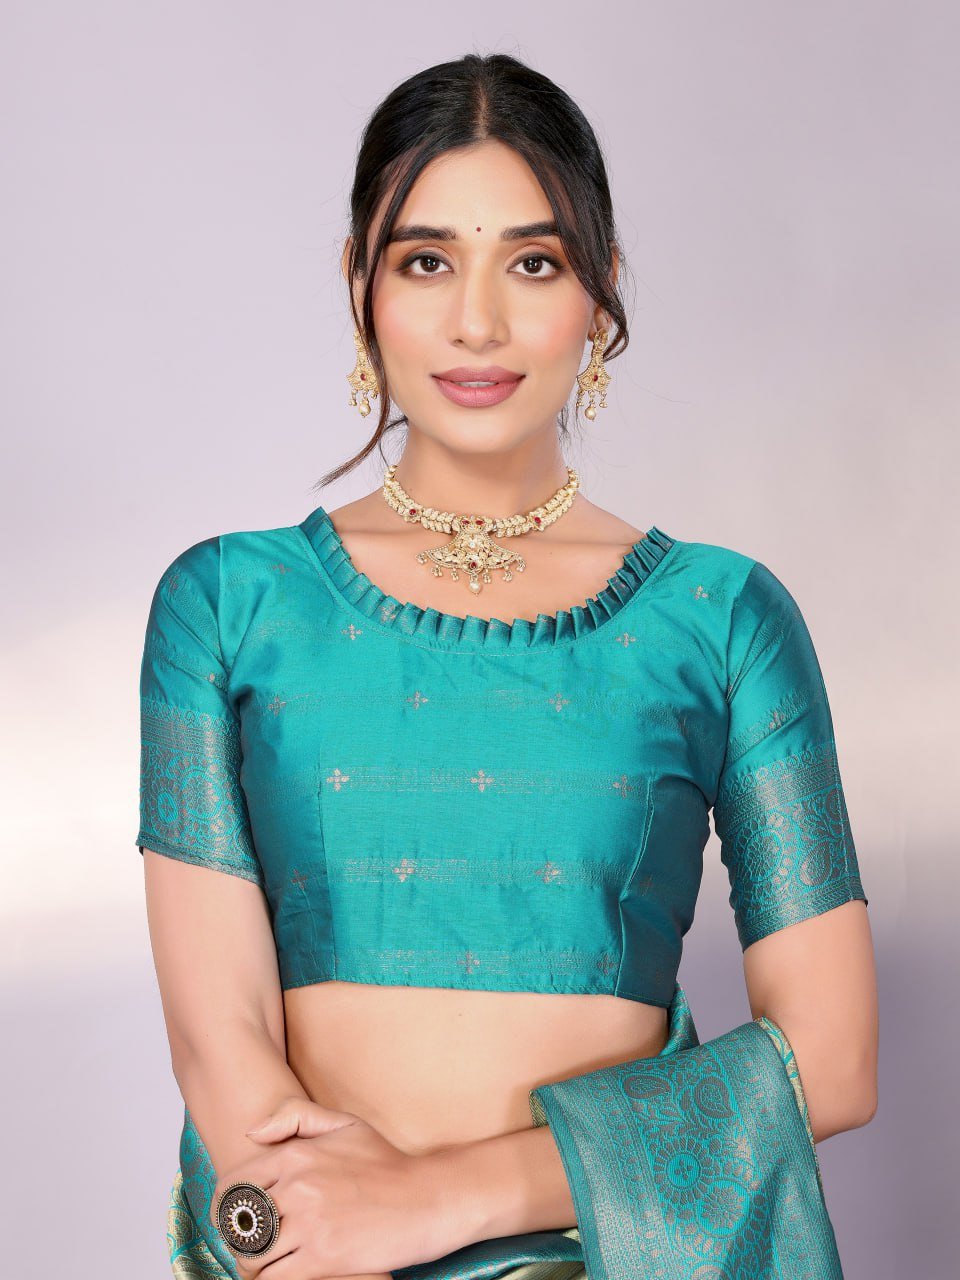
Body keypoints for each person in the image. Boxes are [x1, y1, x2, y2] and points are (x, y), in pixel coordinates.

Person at [137, 52, 878, 1280]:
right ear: (360, 283)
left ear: (601, 288)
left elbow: (833, 1059)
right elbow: (224, 1047)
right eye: (426, 261)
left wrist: (433, 1200)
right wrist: (318, 1233)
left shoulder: (724, 619)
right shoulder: (225, 605)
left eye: (532, 263)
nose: (477, 321)